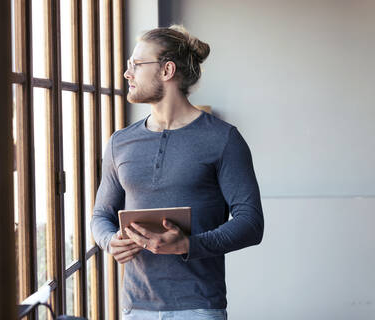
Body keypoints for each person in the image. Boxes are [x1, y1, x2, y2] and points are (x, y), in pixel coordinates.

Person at [90, 25, 264, 320]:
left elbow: (251, 223)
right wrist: (110, 241)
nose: (127, 73)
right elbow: (100, 216)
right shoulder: (120, 141)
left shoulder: (223, 139)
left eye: (136, 64)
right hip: (135, 308)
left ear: (167, 70)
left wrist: (188, 244)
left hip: (199, 308)